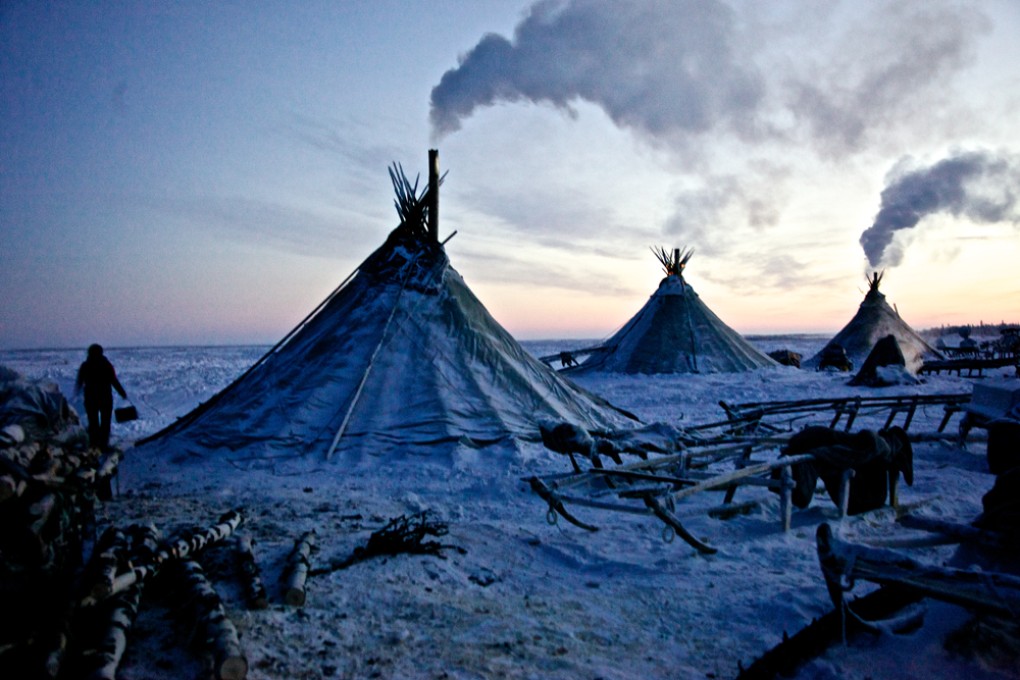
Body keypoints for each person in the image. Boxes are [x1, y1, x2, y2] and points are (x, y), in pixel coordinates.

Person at [75, 343, 127, 450]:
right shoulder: (106, 365)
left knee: (93, 421)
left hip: (91, 398)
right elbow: (113, 380)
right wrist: (122, 392)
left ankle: (94, 443)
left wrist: (77, 391)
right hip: (105, 398)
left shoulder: (85, 365)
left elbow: (80, 381)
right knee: (105, 422)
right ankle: (103, 444)